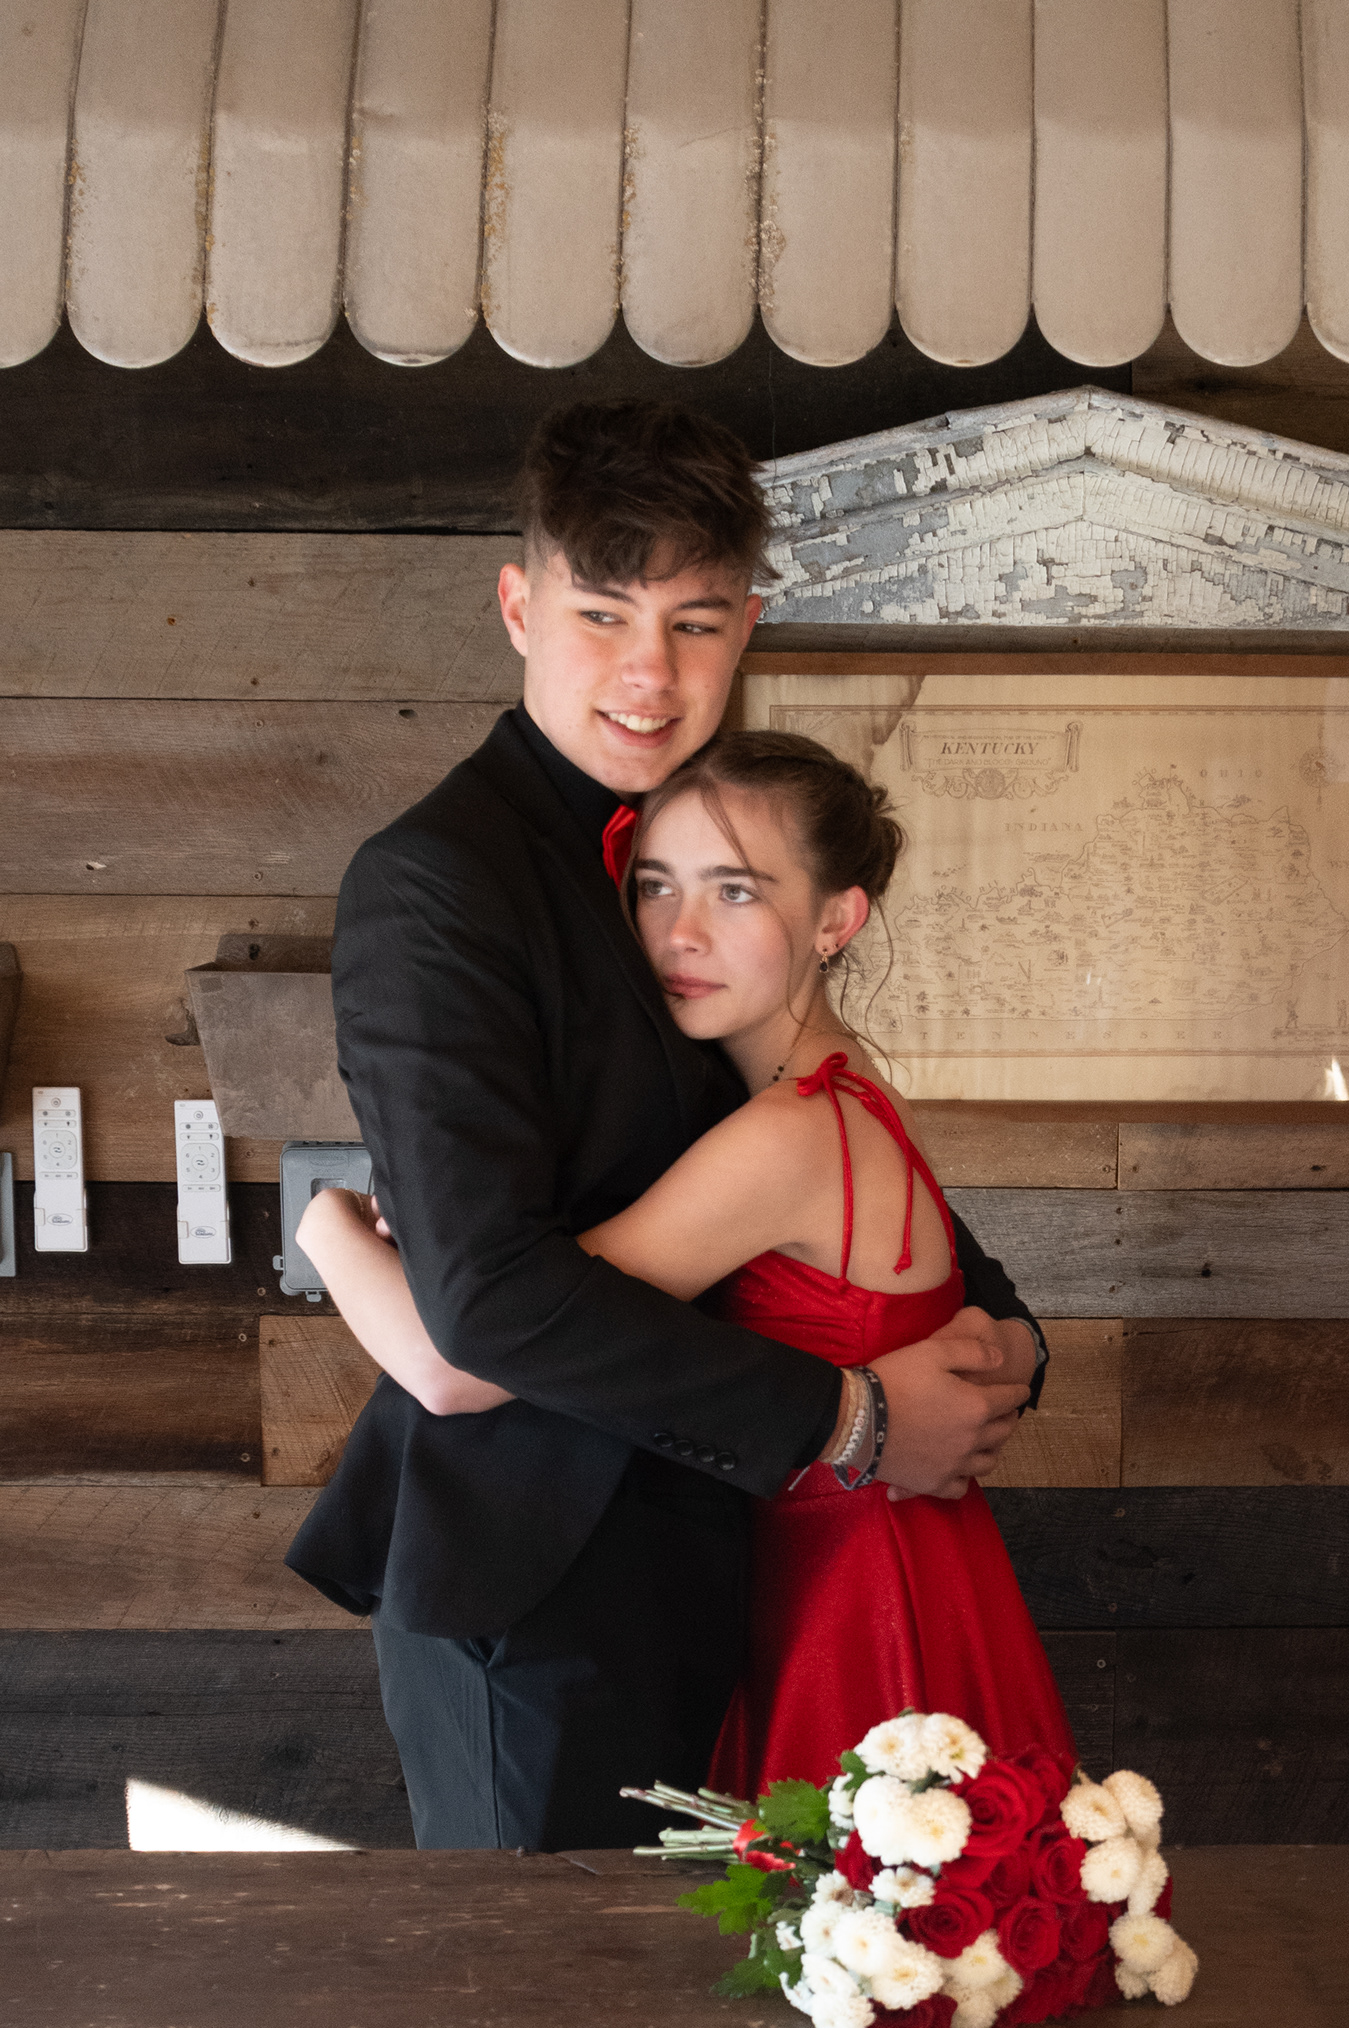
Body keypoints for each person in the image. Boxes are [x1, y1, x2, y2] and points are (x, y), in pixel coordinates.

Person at [286, 403, 1043, 1850]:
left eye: (695, 624)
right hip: (538, 1585)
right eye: (603, 615)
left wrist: (1001, 1339)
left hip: (737, 1570)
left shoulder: (706, 840)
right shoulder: (437, 884)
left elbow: (813, 1129)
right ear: (520, 608)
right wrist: (855, 1419)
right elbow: (487, 1305)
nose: (652, 675)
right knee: (551, 1990)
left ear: (746, 627)